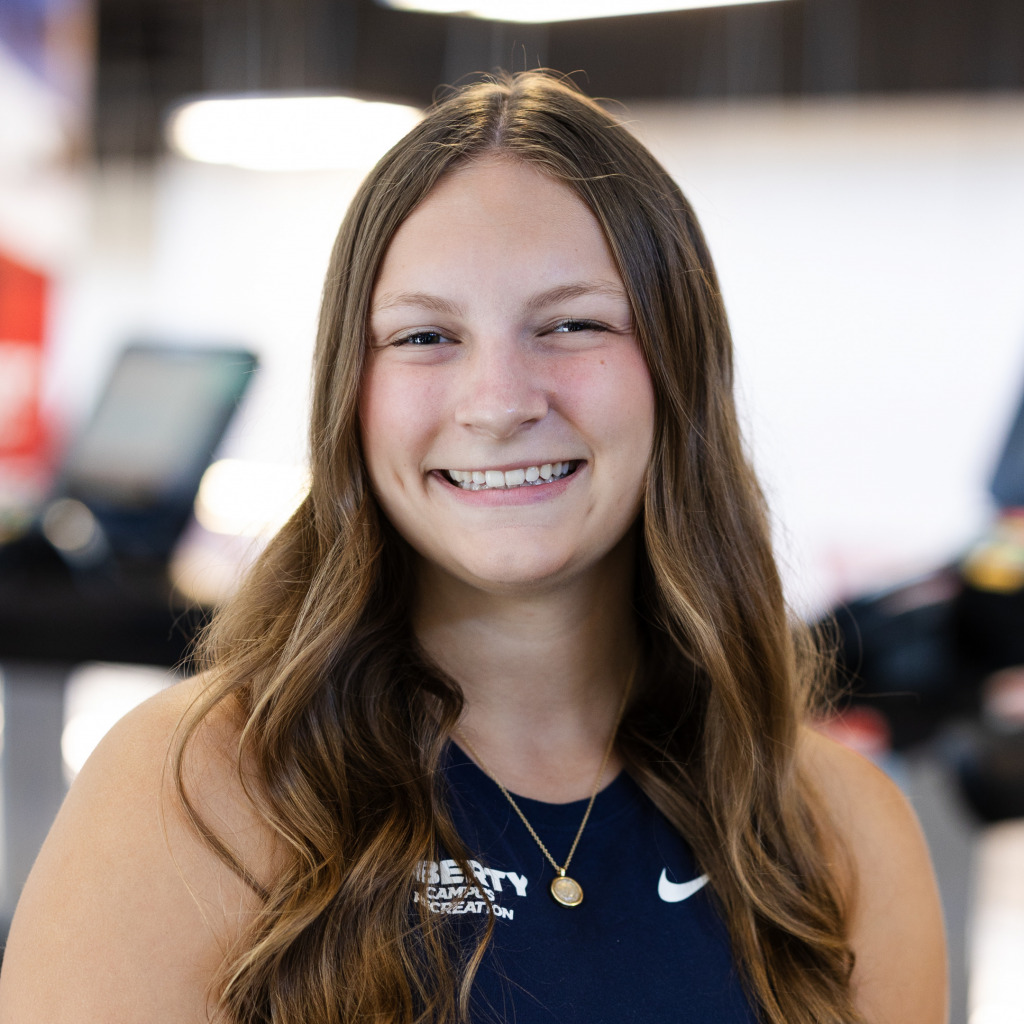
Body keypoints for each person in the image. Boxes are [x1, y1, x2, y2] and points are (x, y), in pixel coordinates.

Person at [0, 71, 947, 1024]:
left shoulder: (842, 831)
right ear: (350, 393)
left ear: (679, 369)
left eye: (572, 324)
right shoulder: (193, 793)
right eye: (424, 336)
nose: (498, 403)